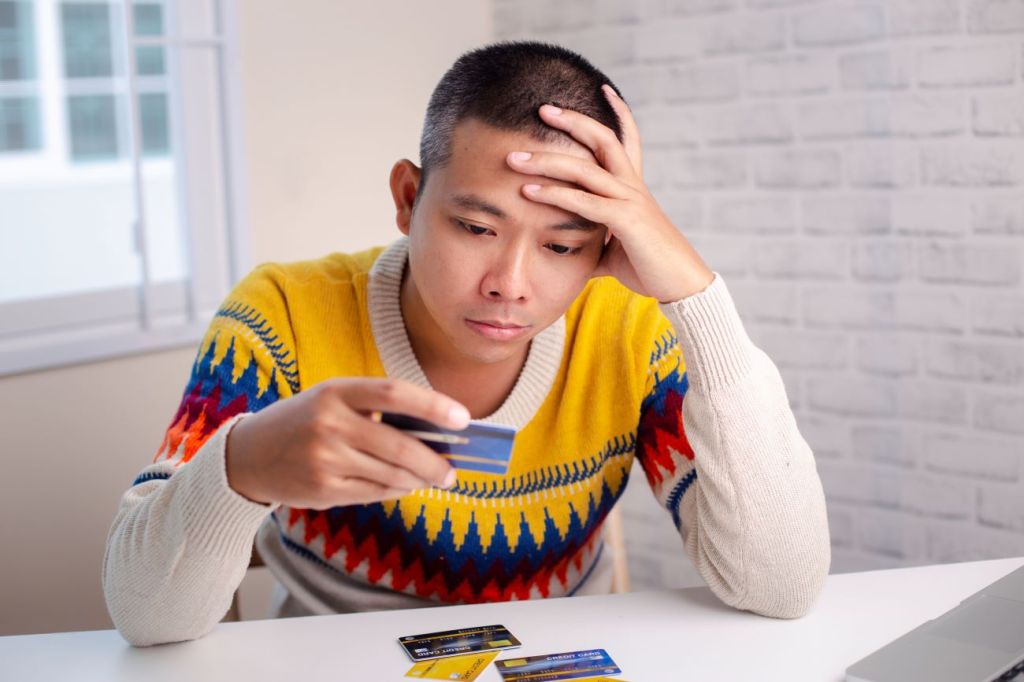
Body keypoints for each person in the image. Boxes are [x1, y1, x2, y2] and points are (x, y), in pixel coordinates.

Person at [103, 41, 830, 647]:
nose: (510, 284)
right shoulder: (282, 316)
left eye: (563, 244)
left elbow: (782, 588)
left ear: (607, 243)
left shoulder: (630, 330)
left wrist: (697, 300)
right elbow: (144, 617)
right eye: (476, 229)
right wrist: (245, 465)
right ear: (407, 198)